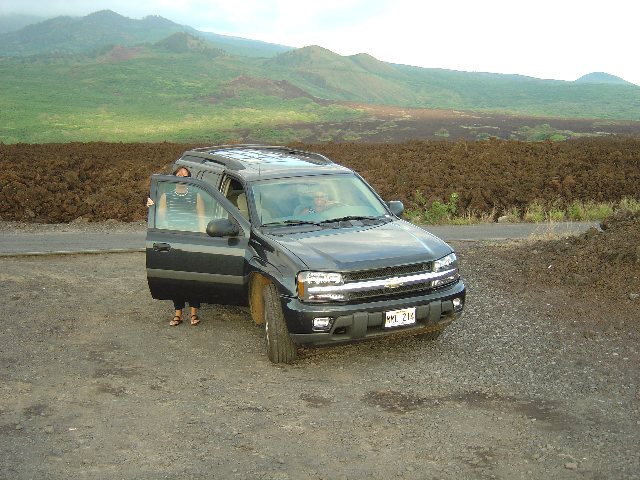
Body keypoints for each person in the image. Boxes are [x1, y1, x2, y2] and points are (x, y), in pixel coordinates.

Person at [147, 166, 203, 326]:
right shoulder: (167, 196)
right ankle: (178, 313)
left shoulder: (196, 196)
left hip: (191, 241)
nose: (182, 178)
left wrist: (201, 242)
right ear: (173, 177)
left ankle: (194, 313)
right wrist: (152, 206)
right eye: (179, 175)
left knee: (192, 278)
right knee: (176, 279)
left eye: (185, 176)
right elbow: (161, 217)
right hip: (173, 242)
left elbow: (201, 219)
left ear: (189, 179)